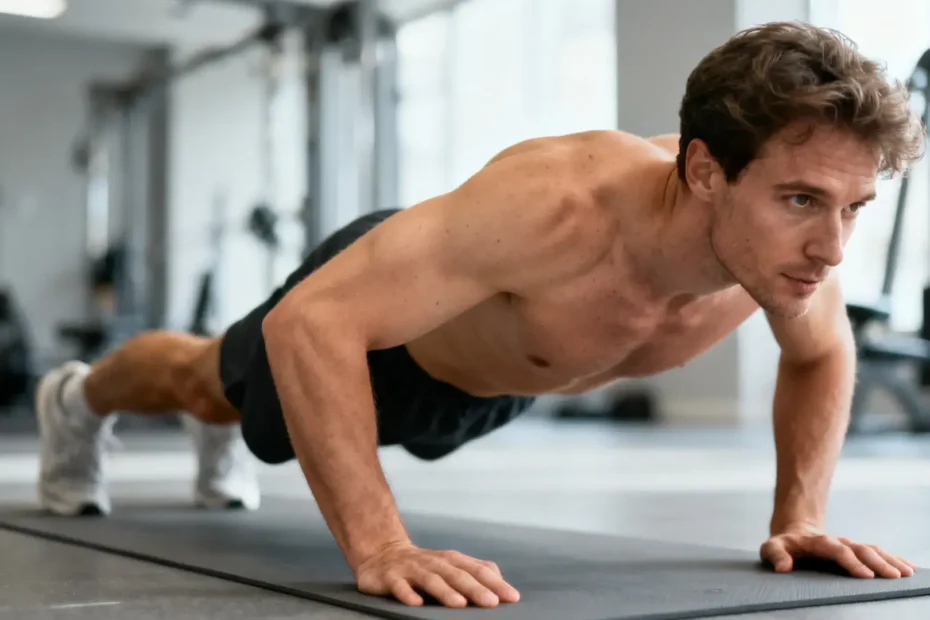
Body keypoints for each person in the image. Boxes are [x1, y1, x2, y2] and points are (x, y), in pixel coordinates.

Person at [35, 20, 924, 610]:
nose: (834, 248)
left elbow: (821, 355)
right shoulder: (558, 204)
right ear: (703, 171)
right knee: (204, 385)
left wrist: (796, 518)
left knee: (233, 398)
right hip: (386, 327)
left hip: (494, 382)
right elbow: (309, 326)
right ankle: (77, 403)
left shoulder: (782, 260)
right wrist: (381, 544)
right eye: (803, 201)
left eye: (854, 208)